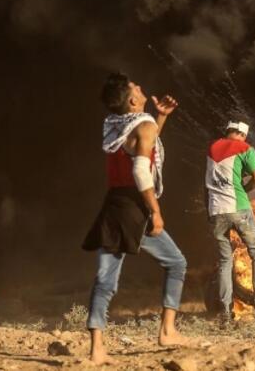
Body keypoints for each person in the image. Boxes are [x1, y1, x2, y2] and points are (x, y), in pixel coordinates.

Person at [81, 72, 190, 364]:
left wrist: (161, 117)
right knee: (177, 263)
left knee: (105, 279)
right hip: (134, 208)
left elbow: (144, 143)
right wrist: (155, 211)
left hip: (112, 205)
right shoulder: (143, 125)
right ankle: (167, 331)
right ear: (132, 100)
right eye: (136, 88)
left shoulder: (116, 124)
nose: (141, 88)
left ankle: (96, 349)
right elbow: (141, 170)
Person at [205, 121, 255, 322]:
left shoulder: (212, 148)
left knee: (224, 261)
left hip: (216, 210)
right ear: (243, 135)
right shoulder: (245, 148)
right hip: (238, 208)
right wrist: (247, 187)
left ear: (228, 131)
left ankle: (225, 312)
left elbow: (226, 172)